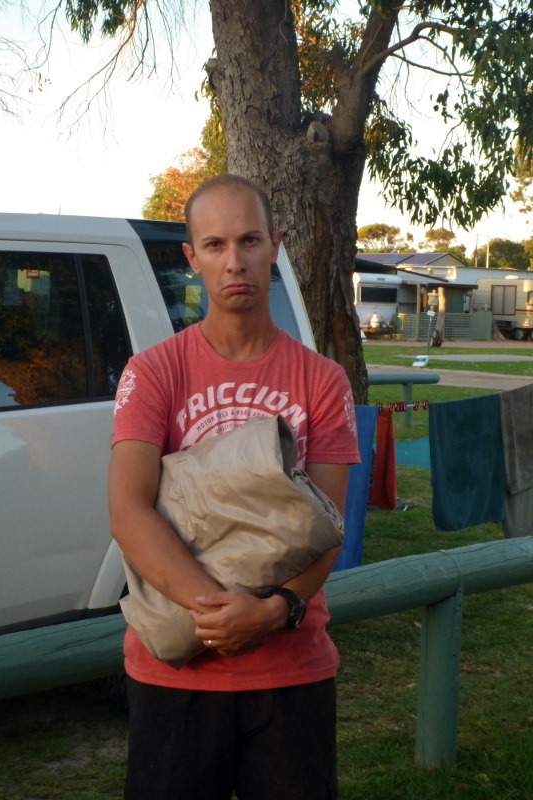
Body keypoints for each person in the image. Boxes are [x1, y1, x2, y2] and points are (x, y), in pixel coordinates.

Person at [108, 174, 360, 800]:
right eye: (215, 245)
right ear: (191, 258)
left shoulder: (322, 382)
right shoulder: (153, 372)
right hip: (177, 673)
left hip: (291, 673)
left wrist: (274, 612)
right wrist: (222, 616)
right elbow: (128, 511)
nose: (235, 261)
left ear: (275, 245)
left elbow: (328, 526)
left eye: (249, 240)